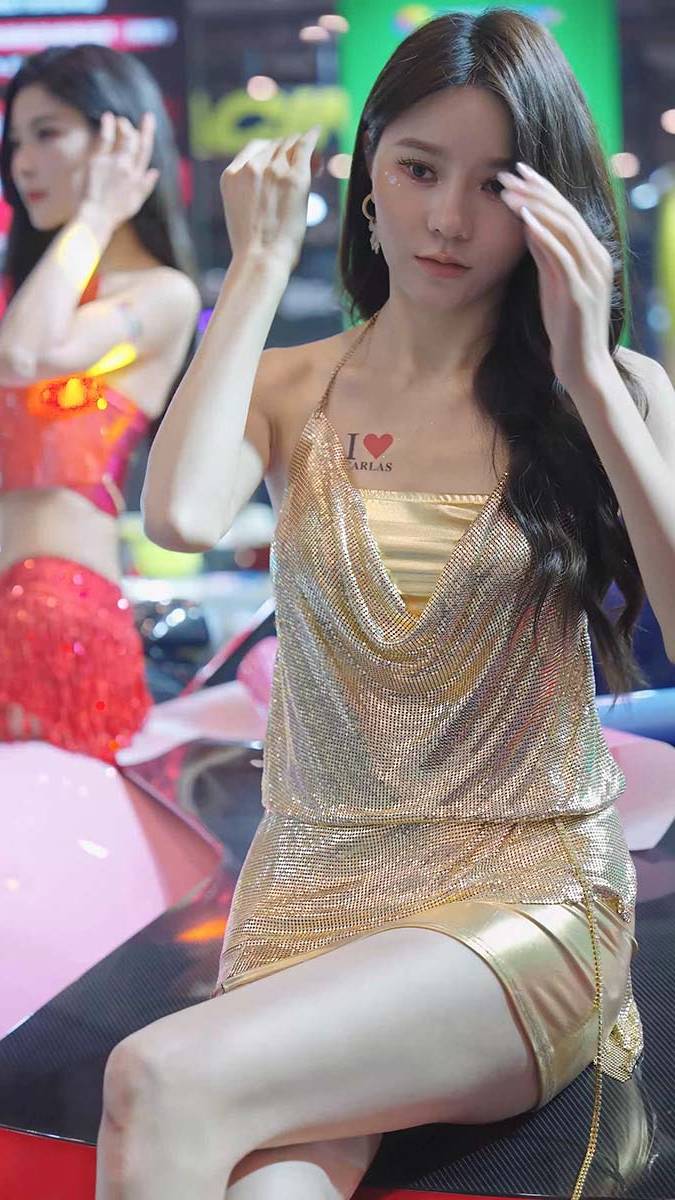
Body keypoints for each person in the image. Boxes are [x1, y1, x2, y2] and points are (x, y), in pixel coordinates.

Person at [99, 9, 674, 1200]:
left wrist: (588, 374)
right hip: (310, 896)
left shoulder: (616, 392)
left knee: (157, 1081)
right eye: (418, 169)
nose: (449, 219)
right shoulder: (290, 386)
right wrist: (257, 266)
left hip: (525, 897)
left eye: (495, 185)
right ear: (368, 177)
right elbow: (183, 514)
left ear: (551, 207)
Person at [0, 44, 200, 762]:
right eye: (15, 141)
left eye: (47, 134)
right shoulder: (25, 300)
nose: (22, 163)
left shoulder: (161, 295)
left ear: (123, 139)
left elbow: (26, 355)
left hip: (60, 623)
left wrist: (94, 217)